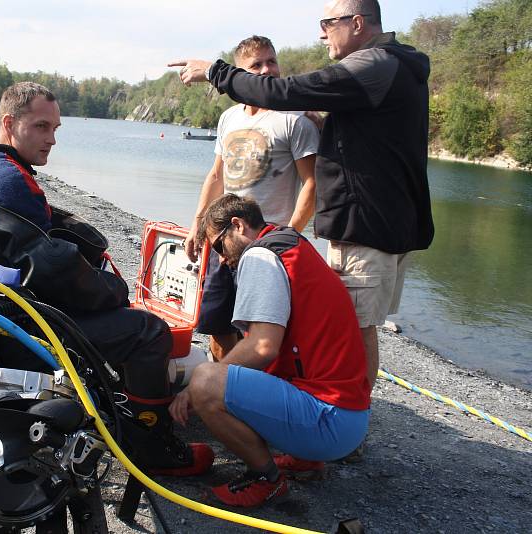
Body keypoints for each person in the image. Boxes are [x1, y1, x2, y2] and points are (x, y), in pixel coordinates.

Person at [0, 81, 214, 476]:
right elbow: (54, 272)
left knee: (121, 319)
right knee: (149, 331)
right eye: (41, 127)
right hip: (15, 337)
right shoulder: (9, 180)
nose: (51, 139)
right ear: (9, 123)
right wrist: (114, 291)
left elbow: (36, 244)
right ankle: (153, 449)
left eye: (55, 129)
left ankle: (122, 415)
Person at [171, 0, 434, 393]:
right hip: (378, 223)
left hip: (367, 228)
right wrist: (329, 119)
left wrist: (215, 72)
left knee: (354, 330)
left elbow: (290, 91)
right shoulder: (389, 68)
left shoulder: (375, 64)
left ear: (356, 23)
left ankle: (345, 416)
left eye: (328, 23)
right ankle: (332, 405)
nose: (321, 33)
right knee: (352, 326)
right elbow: (370, 142)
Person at [169, 194, 370, 507]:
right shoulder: (290, 243)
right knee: (225, 377)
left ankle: (265, 478)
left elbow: (263, 347)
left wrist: (194, 391)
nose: (221, 259)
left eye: (219, 246)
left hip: (329, 421)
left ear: (238, 225)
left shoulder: (259, 256)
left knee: (206, 380)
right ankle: (305, 459)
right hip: (349, 415)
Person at [185, 35, 319, 360]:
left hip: (268, 247)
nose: (266, 70)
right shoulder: (229, 118)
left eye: (271, 61)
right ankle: (223, 387)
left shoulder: (294, 118)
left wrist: (290, 237)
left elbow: (313, 184)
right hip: (223, 242)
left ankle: (250, 393)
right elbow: (217, 175)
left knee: (262, 335)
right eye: (255, 65)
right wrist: (198, 225)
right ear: (241, 73)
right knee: (216, 324)